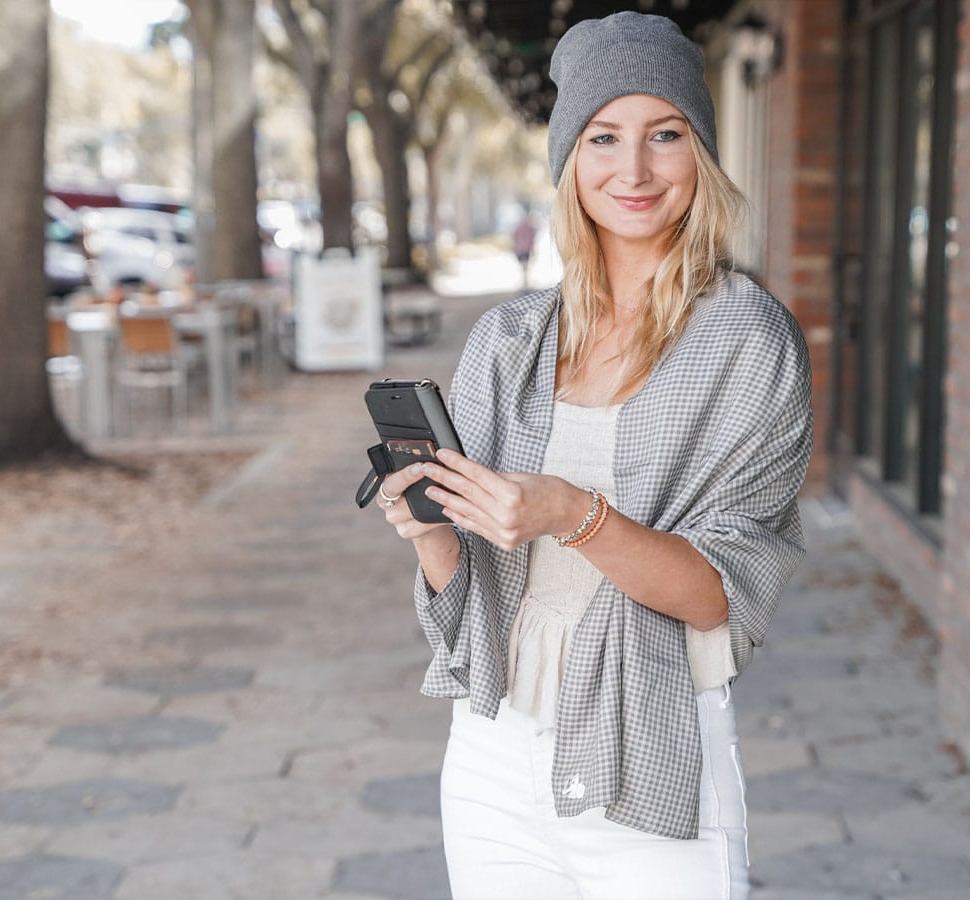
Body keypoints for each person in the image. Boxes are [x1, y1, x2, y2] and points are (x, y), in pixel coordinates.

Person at [373, 11, 812, 899]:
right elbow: (482, 583)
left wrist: (572, 514)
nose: (635, 169)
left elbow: (720, 596)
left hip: (653, 747)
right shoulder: (508, 339)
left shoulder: (747, 341)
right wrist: (429, 528)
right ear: (569, 160)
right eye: (604, 136)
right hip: (493, 754)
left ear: (704, 155)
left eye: (667, 135)